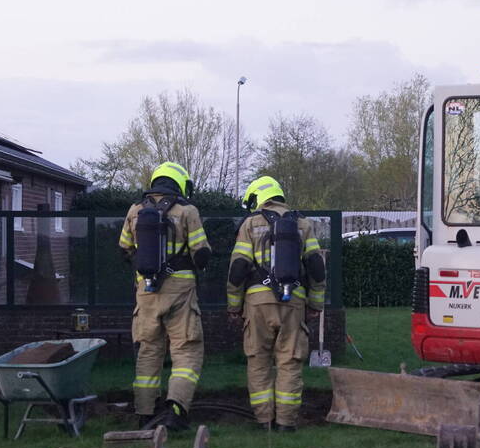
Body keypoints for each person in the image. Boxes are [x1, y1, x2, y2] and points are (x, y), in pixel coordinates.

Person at [226, 176, 326, 431]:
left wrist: (234, 307)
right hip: (293, 301)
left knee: (258, 361)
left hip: (257, 303)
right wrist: (315, 305)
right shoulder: (302, 224)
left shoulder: (250, 224)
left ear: (258, 198)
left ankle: (264, 421)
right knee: (289, 362)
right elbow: (316, 267)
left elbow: (237, 269)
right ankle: (286, 423)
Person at [119, 161, 210, 431]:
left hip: (146, 292)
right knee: (186, 351)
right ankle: (175, 410)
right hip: (180, 291)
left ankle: (145, 414)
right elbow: (201, 252)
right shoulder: (187, 211)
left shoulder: (135, 210)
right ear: (179, 184)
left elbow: (123, 249)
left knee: (148, 352)